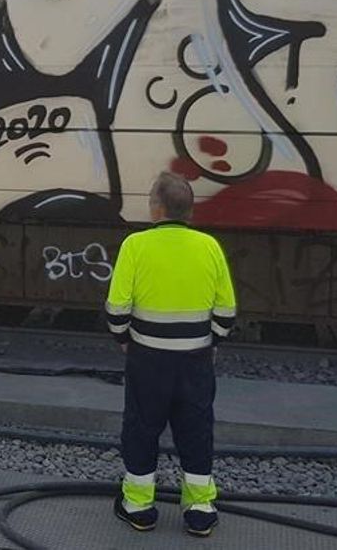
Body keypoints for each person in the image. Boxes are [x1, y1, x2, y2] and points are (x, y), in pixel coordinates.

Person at [105, 171, 237, 537]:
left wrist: (124, 339)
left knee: (141, 428)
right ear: (189, 210)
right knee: (196, 430)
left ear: (157, 208)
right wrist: (211, 342)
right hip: (195, 361)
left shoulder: (136, 245)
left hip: (147, 360)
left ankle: (138, 506)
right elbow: (226, 311)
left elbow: (117, 308)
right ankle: (199, 508)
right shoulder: (209, 246)